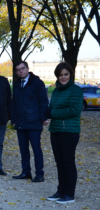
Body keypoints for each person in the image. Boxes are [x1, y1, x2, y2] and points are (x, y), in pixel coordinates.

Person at [44, 62, 83, 204]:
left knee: (68, 163)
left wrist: (52, 113)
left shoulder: (76, 90)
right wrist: (46, 113)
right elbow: (51, 107)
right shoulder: (56, 91)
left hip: (69, 131)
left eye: (66, 74)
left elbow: (74, 110)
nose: (63, 77)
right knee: (59, 163)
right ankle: (60, 191)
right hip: (55, 130)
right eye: (60, 75)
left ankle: (69, 194)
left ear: (70, 74)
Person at [11, 61, 49, 182]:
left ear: (28, 68)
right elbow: (14, 104)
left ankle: (39, 174)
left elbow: (43, 102)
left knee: (36, 149)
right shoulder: (16, 84)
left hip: (34, 122)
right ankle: (26, 172)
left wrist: (44, 117)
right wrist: (14, 120)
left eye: (22, 68)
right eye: (18, 69)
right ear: (16, 72)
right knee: (23, 149)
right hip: (21, 122)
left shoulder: (37, 83)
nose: (21, 71)